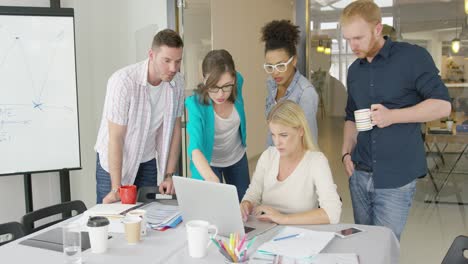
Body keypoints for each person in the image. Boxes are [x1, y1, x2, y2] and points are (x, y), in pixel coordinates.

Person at [340, 0, 451, 239]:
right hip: (359, 174)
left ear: (378, 29)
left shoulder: (413, 57)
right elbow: (351, 116)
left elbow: (443, 106)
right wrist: (346, 151)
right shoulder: (354, 71)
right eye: (347, 39)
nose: (352, 46)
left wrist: (393, 116)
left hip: (396, 176)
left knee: (384, 247)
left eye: (358, 38)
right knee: (362, 242)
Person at [94, 29, 185, 204]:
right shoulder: (123, 82)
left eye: (178, 61)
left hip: (147, 159)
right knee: (113, 219)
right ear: (151, 55)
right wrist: (116, 188)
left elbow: (175, 129)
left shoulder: (178, 83)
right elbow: (116, 138)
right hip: (115, 164)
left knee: (147, 216)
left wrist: (169, 174)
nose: (173, 68)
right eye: (166, 61)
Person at [240, 100, 341, 225]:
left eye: (283, 135)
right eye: (273, 135)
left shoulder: (316, 161)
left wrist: (283, 219)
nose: (277, 142)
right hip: (267, 231)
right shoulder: (268, 156)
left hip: (301, 234)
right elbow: (253, 195)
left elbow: (333, 213)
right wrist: (246, 204)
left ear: (300, 131)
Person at [185, 50, 250, 201]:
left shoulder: (237, 83)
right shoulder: (196, 105)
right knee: (213, 207)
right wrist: (212, 179)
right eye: (213, 87)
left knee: (245, 206)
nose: (221, 94)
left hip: (237, 157)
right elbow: (195, 149)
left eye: (227, 86)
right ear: (204, 79)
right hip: (210, 161)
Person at [261, 20, 319, 146]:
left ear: (294, 61)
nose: (275, 72)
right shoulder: (271, 83)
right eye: (270, 67)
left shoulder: (306, 93)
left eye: (281, 65)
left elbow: (310, 141)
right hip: (272, 155)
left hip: (293, 161)